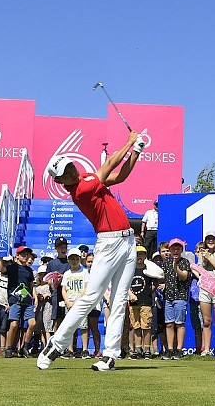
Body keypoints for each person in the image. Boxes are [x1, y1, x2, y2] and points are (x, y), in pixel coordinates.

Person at [37, 130, 144, 372]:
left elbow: (120, 177)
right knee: (91, 297)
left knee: (119, 300)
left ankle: (110, 356)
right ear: (59, 182)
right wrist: (128, 141)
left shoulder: (85, 178)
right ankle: (56, 344)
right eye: (65, 173)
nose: (72, 171)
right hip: (108, 243)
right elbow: (108, 164)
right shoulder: (80, 190)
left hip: (128, 241)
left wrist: (136, 151)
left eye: (71, 166)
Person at [196, 230, 215, 356]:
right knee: (206, 321)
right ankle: (206, 349)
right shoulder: (202, 253)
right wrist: (202, 258)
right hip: (205, 289)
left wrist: (210, 258)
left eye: (213, 239)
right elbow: (199, 270)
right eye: (208, 239)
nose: (210, 241)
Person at [160, 238, 191, 360]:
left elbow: (184, 277)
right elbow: (163, 277)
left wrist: (175, 267)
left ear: (182, 250)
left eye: (178, 248)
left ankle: (179, 350)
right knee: (169, 324)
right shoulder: (166, 263)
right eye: (173, 248)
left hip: (180, 297)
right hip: (168, 297)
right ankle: (170, 349)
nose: (175, 251)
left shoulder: (184, 262)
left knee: (179, 324)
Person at [6, 245, 37, 358]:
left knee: (32, 324)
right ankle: (9, 348)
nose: (25, 255)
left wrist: (34, 299)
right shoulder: (12, 267)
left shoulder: (29, 271)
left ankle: (24, 347)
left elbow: (31, 287)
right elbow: (1, 269)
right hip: (15, 300)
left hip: (27, 301)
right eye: (23, 253)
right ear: (17, 256)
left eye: (27, 253)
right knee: (14, 325)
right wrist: (0, 257)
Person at [128, 245, 156, 360]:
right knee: (136, 327)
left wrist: (148, 292)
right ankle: (138, 349)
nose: (139, 256)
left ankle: (147, 350)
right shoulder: (130, 270)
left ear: (145, 256)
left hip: (146, 302)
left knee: (146, 327)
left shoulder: (148, 270)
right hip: (134, 303)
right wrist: (131, 295)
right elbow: (125, 285)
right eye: (137, 254)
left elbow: (155, 283)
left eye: (142, 254)